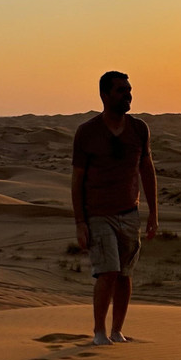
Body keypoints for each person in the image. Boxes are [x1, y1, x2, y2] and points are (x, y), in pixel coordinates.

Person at [71, 71, 158, 345]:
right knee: (107, 271)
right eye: (121, 90)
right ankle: (99, 332)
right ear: (105, 95)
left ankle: (117, 330)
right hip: (98, 215)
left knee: (124, 274)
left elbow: (147, 169)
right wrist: (80, 223)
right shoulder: (87, 133)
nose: (128, 94)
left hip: (130, 214)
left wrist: (153, 213)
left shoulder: (139, 129)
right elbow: (77, 180)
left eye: (129, 89)